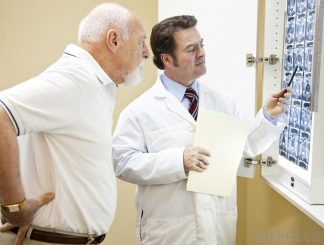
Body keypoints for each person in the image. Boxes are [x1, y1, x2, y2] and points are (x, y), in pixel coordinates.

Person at [112, 15, 290, 245]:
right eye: (191, 49)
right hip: (169, 234)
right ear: (167, 59)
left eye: (201, 45)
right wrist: (178, 161)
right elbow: (122, 163)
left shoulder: (223, 102)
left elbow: (245, 146)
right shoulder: (139, 111)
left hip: (217, 229)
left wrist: (267, 117)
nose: (202, 53)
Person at [0, 3, 149, 245]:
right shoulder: (75, 80)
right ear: (113, 40)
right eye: (141, 41)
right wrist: (14, 207)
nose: (146, 52)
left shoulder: (96, 84)